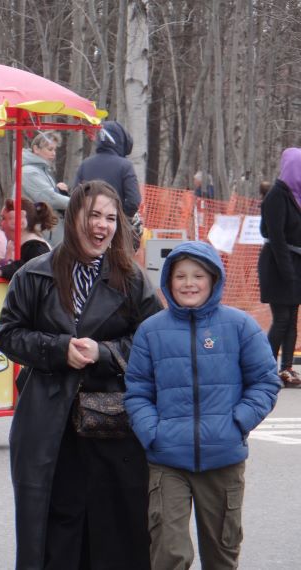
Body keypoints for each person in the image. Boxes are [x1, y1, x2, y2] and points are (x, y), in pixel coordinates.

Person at [0, 180, 162, 569]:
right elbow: (8, 335)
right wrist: (57, 350)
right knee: (55, 527)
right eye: (93, 216)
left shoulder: (132, 279)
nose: (101, 226)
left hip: (113, 420)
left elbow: (154, 339)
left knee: (113, 529)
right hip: (48, 420)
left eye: (110, 218)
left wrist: (105, 352)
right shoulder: (34, 275)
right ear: (73, 219)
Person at [124, 241, 280, 569]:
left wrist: (238, 422)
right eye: (180, 276)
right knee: (169, 553)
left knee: (222, 553)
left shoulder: (240, 326)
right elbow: (137, 391)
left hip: (223, 459)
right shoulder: (151, 331)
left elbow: (265, 381)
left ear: (213, 279)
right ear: (168, 281)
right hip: (168, 461)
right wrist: (152, 432)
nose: (189, 283)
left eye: (198, 275)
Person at [259, 147, 301, 387]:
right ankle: (264, 368)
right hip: (277, 265)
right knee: (282, 319)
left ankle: (286, 369)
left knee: (292, 318)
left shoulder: (297, 195)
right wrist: (288, 273)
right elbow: (277, 238)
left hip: (295, 264)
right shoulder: (277, 195)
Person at [74, 120, 141, 218]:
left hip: (88, 224)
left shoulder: (85, 164)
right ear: (120, 140)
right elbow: (134, 201)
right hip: (114, 227)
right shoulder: (125, 166)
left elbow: (75, 199)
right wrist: (118, 218)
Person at [17, 131, 71, 247]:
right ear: (36, 149)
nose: (54, 153)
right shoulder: (30, 172)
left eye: (55, 150)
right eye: (50, 149)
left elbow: (45, 193)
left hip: (44, 228)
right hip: (40, 229)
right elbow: (49, 198)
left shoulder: (39, 170)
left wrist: (56, 189)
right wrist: (78, 202)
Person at [0, 198, 55, 280]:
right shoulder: (14, 246)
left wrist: (2, 271)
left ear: (19, 222)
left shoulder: (36, 247)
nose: (0, 224)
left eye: (4, 218)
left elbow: (31, 269)